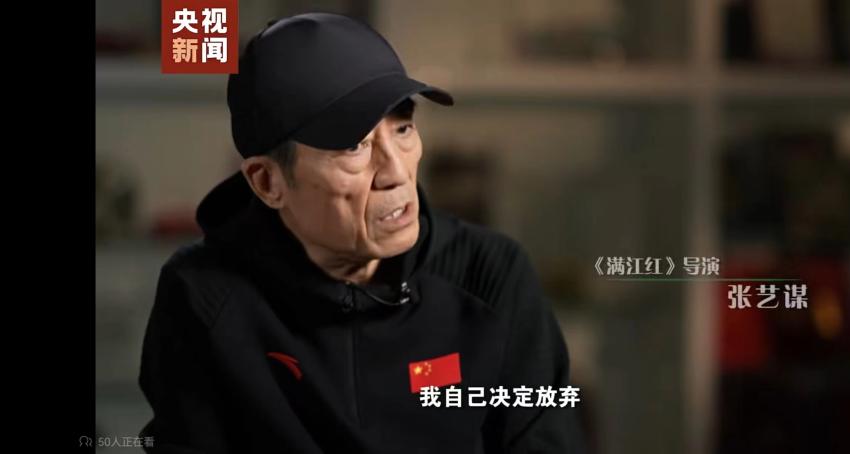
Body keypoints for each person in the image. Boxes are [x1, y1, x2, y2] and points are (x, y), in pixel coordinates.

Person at [138, 12, 585, 453]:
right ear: (268, 182)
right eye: (355, 146)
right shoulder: (205, 296)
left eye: (403, 128)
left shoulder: (488, 275)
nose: (396, 173)